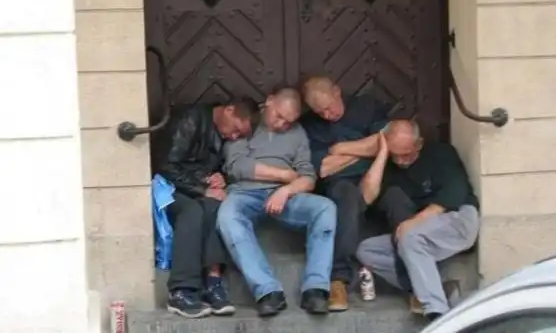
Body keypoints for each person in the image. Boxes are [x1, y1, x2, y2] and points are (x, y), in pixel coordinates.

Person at [217, 87, 337, 317]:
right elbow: (237, 166)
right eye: (279, 116)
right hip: (245, 194)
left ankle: (316, 289)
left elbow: (308, 177)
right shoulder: (248, 121)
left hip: (285, 196)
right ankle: (267, 291)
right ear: (269, 101)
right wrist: (283, 175)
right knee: (228, 215)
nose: (282, 124)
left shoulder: (297, 132)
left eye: (288, 122)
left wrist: (286, 191)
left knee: (325, 208)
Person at [300, 76, 412, 311]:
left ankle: (415, 280)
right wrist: (365, 148)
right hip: (339, 184)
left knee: (398, 199)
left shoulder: (366, 107)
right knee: (346, 196)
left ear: (337, 92)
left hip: (378, 178)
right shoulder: (310, 126)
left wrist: (340, 149)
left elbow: (386, 141)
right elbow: (323, 168)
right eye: (320, 112)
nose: (327, 115)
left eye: (329, 107)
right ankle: (338, 281)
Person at [356, 120, 480, 321]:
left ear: (419, 144)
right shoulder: (389, 165)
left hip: (457, 218)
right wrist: (382, 153)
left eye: (405, 154)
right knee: (367, 250)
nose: (400, 161)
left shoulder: (441, 153)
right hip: (422, 231)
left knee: (410, 236)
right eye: (394, 154)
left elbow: (453, 194)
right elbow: (366, 197)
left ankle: (436, 311)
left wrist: (413, 223)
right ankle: (436, 286)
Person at [157, 97, 259, 318]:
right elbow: (167, 166)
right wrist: (202, 189)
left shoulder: (222, 133)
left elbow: (214, 167)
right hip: (167, 187)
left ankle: (213, 282)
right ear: (229, 110)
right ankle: (181, 291)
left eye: (240, 135)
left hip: (195, 187)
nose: (234, 136)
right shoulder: (190, 119)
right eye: (236, 129)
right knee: (192, 212)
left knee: (215, 206)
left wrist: (219, 178)